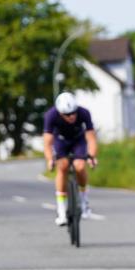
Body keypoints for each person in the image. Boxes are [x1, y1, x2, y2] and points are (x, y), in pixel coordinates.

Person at [43, 92, 98, 225]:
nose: (72, 116)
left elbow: (91, 138)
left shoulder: (84, 113)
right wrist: (50, 159)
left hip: (78, 140)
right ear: (60, 113)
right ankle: (61, 211)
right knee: (62, 167)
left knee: (80, 166)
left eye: (73, 112)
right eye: (67, 114)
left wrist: (91, 156)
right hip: (60, 141)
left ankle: (84, 201)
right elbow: (47, 142)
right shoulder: (51, 115)